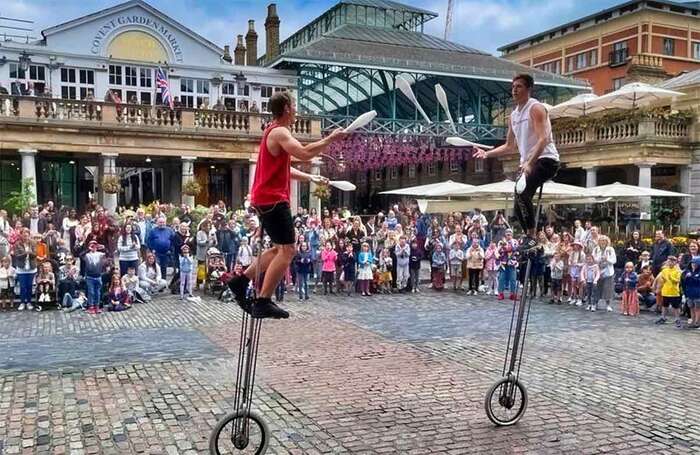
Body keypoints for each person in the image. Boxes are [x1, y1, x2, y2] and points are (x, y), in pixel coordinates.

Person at [227, 91, 345, 319]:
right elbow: (304, 152)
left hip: (266, 199)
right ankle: (263, 300)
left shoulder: (272, 132)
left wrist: (311, 178)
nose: (297, 111)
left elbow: (285, 169)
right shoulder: (280, 132)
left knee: (278, 250)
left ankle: (240, 282)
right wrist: (330, 139)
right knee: (289, 250)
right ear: (288, 108)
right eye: (295, 106)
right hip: (273, 200)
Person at [473, 73, 559, 251]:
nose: (514, 90)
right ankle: (529, 237)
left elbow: (543, 139)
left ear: (528, 89)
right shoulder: (513, 116)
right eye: (513, 87)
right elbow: (509, 146)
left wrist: (529, 163)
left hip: (546, 159)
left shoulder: (535, 108)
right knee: (517, 201)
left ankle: (532, 237)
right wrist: (487, 154)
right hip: (529, 162)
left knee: (522, 193)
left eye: (519, 86)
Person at [12, 228, 37, 311]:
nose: (26, 236)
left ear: (29, 235)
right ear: (21, 235)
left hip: (31, 268)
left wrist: (30, 253)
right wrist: (25, 253)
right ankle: (22, 302)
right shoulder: (17, 244)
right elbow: (17, 256)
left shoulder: (33, 243)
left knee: (29, 286)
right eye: (24, 235)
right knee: (23, 287)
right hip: (21, 268)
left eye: (27, 235)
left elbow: (35, 254)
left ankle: (29, 302)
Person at [656, 256, 682, 327]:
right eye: (669, 261)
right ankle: (663, 317)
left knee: (676, 307)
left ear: (675, 262)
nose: (670, 263)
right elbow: (663, 280)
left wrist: (671, 278)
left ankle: (677, 319)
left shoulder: (677, 271)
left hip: (674, 292)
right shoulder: (664, 270)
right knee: (664, 305)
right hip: (666, 291)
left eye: (672, 261)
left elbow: (678, 281)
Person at [593, 235, 616, 312]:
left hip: (608, 271)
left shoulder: (610, 249)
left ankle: (608, 305)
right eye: (601, 240)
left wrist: (607, 259)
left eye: (604, 240)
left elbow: (614, 260)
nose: (602, 242)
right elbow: (593, 260)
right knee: (597, 288)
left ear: (607, 241)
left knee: (608, 289)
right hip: (598, 271)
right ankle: (595, 303)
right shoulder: (596, 249)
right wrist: (599, 259)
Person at [83, 240, 106, 314]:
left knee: (98, 293)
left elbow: (108, 254)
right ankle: (91, 306)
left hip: (98, 276)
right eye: (92, 246)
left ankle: (97, 306)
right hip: (90, 277)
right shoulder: (87, 255)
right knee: (91, 292)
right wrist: (88, 249)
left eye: (95, 246)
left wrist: (103, 248)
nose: (94, 248)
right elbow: (80, 255)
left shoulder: (100, 254)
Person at [681, 257, 700, 328]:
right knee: (691, 308)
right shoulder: (687, 271)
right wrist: (685, 277)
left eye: (695, 263)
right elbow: (683, 282)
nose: (693, 264)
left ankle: (697, 322)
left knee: (697, 308)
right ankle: (693, 321)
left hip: (698, 293)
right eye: (692, 263)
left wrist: (691, 277)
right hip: (689, 293)